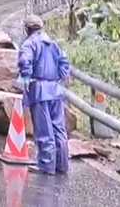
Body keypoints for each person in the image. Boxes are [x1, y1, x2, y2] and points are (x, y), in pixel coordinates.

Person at [17, 15, 71, 175]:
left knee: (44, 130)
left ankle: (46, 165)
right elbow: (65, 63)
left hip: (39, 90)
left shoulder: (29, 44)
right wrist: (57, 77)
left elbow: (24, 62)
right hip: (55, 89)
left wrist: (26, 77)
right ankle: (62, 164)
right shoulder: (53, 44)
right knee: (59, 129)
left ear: (27, 29)